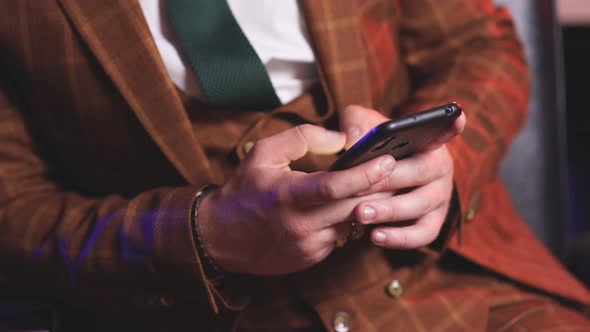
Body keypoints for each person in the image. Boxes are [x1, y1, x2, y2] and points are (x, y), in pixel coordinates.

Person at [0, 0, 588, 331]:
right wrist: (203, 236)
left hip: (443, 283)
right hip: (195, 314)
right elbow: (12, 212)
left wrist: (446, 161)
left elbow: (479, 44)